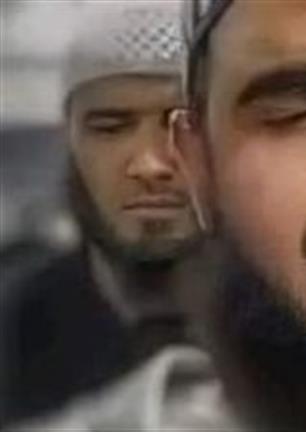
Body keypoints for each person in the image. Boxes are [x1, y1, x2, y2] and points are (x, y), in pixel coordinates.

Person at [0, 1, 204, 426]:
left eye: (182, 126)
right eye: (110, 128)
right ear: (69, 142)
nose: (150, 164)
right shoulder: (15, 327)